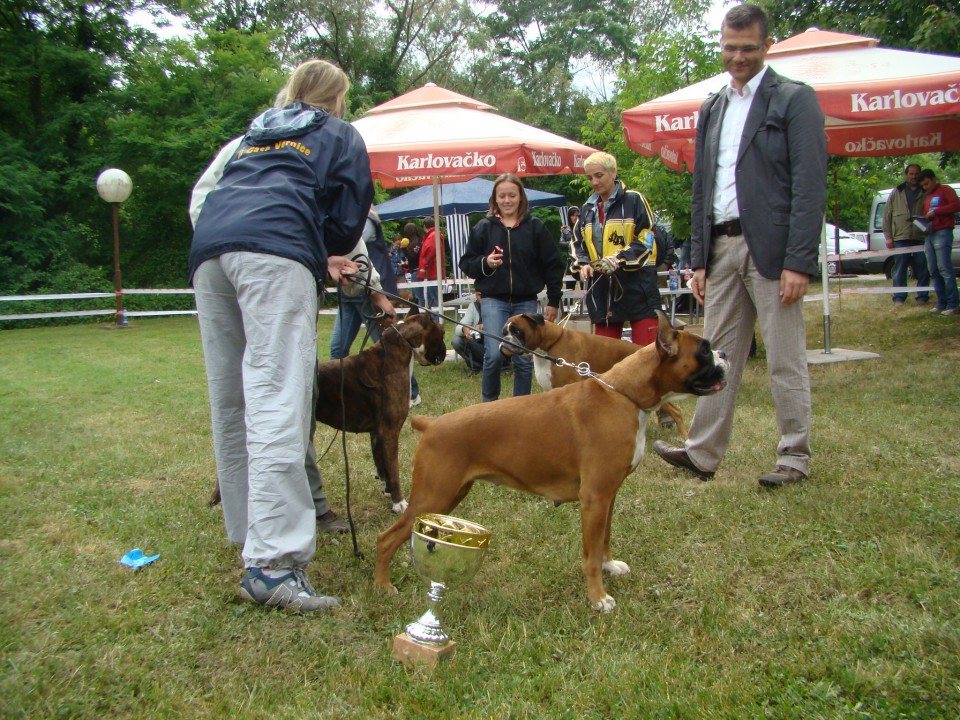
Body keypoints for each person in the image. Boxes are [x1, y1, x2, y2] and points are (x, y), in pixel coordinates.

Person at [189, 59, 374, 612]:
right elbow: (350, 212)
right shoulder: (339, 134)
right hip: (276, 254)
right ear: (338, 98)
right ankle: (273, 565)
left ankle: (251, 536)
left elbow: (202, 200)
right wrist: (327, 252)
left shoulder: (250, 135)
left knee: (235, 398)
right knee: (277, 396)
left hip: (210, 255)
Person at [652, 4, 827, 489]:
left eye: (748, 48)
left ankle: (794, 457)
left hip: (772, 248)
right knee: (716, 357)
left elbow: (810, 187)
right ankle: (702, 453)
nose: (738, 57)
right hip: (721, 248)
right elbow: (702, 186)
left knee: (784, 357)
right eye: (730, 47)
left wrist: (798, 260)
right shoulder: (712, 107)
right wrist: (699, 257)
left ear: (767, 45)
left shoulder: (795, 100)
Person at [459, 173, 564, 401]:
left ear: (520, 198)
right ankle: (489, 408)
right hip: (493, 299)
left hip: (525, 300)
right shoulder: (483, 227)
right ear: (495, 199)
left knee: (523, 357)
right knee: (493, 356)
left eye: (512, 195)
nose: (507, 200)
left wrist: (554, 300)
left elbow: (553, 265)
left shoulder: (535, 227)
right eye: (502, 196)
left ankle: (520, 410)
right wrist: (485, 262)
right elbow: (466, 263)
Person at [573, 151, 661, 347]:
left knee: (647, 354)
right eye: (589, 177)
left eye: (599, 175)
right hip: (603, 289)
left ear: (613, 172)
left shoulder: (634, 200)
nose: (594, 182)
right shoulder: (587, 209)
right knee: (605, 357)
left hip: (638, 286)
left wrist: (619, 259)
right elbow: (577, 243)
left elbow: (647, 239)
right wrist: (584, 264)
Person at [329, 209, 396, 359]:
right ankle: (338, 383)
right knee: (337, 349)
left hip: (368, 292)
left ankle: (410, 384)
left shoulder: (367, 220)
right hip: (349, 291)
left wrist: (380, 298)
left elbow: (349, 245)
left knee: (387, 348)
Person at [883, 164, 930, 305]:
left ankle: (922, 296)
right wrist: (888, 237)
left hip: (920, 236)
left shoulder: (925, 191)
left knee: (922, 267)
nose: (914, 176)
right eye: (911, 174)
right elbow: (887, 215)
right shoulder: (897, 191)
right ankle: (899, 297)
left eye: (916, 174)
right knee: (900, 268)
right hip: (900, 236)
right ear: (906, 174)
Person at [918, 168, 960, 316]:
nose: (925, 187)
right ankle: (941, 302)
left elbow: (956, 205)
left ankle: (953, 304)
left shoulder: (945, 190)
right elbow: (927, 214)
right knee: (933, 269)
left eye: (927, 183)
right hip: (930, 233)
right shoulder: (927, 197)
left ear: (934, 179)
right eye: (923, 185)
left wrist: (937, 212)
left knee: (944, 268)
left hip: (943, 232)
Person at [452, 290, 485, 373]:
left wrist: (487, 326)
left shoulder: (499, 305)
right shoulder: (473, 306)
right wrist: (464, 329)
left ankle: (501, 365)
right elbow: (458, 328)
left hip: (496, 346)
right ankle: (476, 367)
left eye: (485, 295)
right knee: (456, 341)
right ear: (475, 294)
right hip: (480, 346)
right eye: (479, 295)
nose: (482, 298)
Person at [418, 217, 445, 309]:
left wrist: (424, 267)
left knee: (433, 300)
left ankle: (436, 320)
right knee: (433, 298)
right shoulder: (436, 234)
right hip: (434, 271)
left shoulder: (432, 236)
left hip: (433, 271)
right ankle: (435, 320)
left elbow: (430, 251)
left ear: (424, 226)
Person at [401, 223, 423, 305]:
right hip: (415, 269)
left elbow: (412, 257)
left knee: (418, 296)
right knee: (416, 296)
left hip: (416, 270)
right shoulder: (418, 240)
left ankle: (421, 314)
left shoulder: (415, 242)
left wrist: (404, 249)